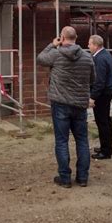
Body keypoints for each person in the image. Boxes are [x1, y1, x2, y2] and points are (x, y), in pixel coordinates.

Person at [37, 26, 95, 188]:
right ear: (76, 38)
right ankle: (83, 178)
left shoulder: (55, 54)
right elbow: (92, 79)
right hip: (79, 104)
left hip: (60, 103)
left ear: (62, 38)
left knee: (62, 141)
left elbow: (40, 58)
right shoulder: (87, 57)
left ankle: (64, 178)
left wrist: (51, 45)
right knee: (82, 141)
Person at [88, 35, 112, 160]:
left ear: (96, 45)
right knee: (106, 121)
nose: (88, 46)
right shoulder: (106, 55)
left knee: (102, 121)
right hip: (107, 92)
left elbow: (99, 80)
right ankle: (106, 146)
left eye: (90, 44)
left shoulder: (99, 58)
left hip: (102, 94)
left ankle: (105, 151)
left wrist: (93, 97)